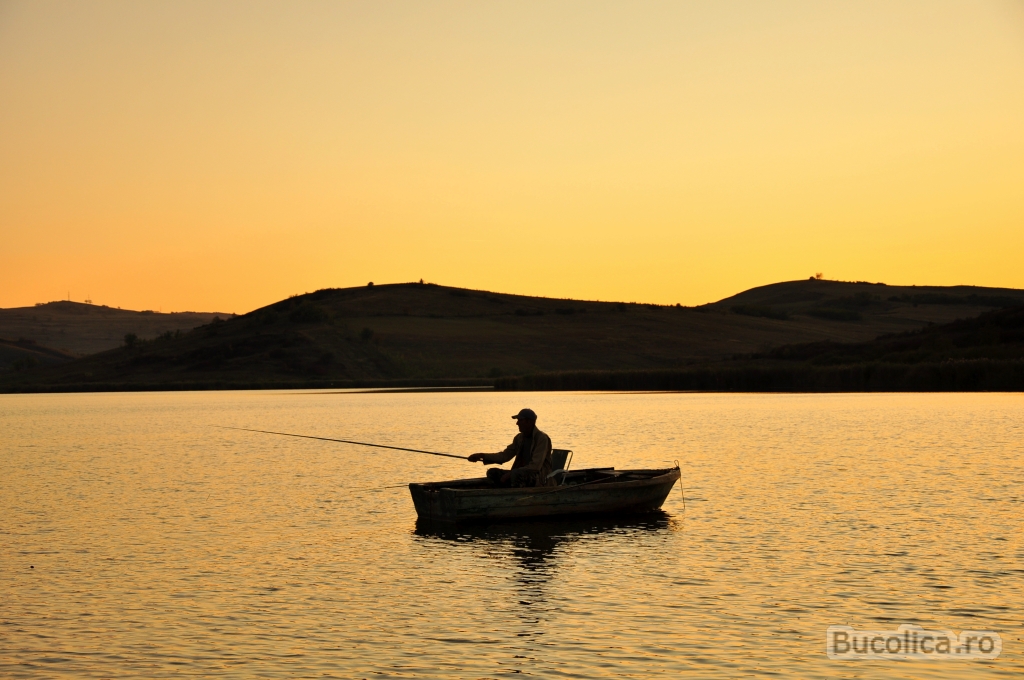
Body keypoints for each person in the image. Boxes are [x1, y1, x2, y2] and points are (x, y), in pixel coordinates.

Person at [467, 408, 554, 487]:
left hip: (539, 478)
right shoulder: (519, 438)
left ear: (530, 422)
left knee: (515, 474)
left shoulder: (542, 439)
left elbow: (535, 466)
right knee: (492, 472)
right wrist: (482, 456)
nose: (517, 423)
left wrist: (510, 474)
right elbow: (504, 456)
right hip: (519, 474)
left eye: (520, 420)